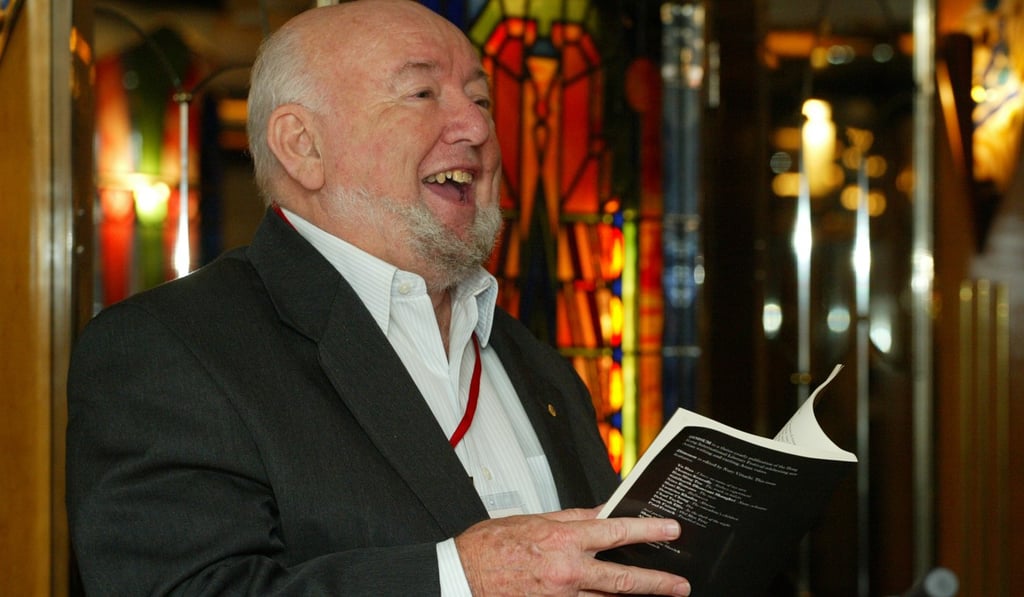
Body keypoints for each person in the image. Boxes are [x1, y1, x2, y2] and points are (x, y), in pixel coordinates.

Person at [66, 1, 691, 595]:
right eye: (422, 94)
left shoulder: (537, 364)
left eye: (480, 97)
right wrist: (460, 580)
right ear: (303, 146)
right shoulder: (171, 350)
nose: (476, 125)